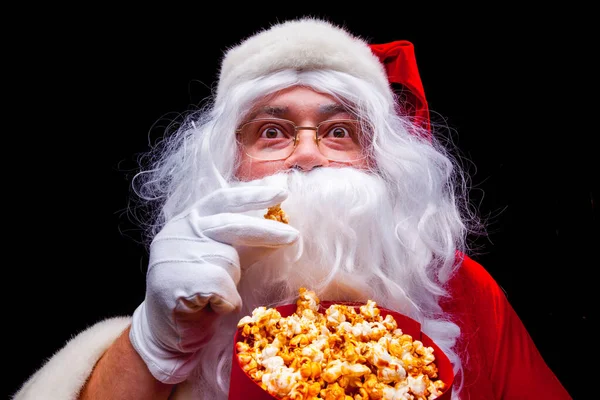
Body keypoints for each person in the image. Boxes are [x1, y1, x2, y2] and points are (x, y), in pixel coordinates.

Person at [12, 17, 572, 400]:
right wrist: (152, 344)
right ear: (227, 165)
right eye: (273, 132)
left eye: (338, 132)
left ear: (380, 162)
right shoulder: (184, 297)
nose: (306, 155)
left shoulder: (464, 293)